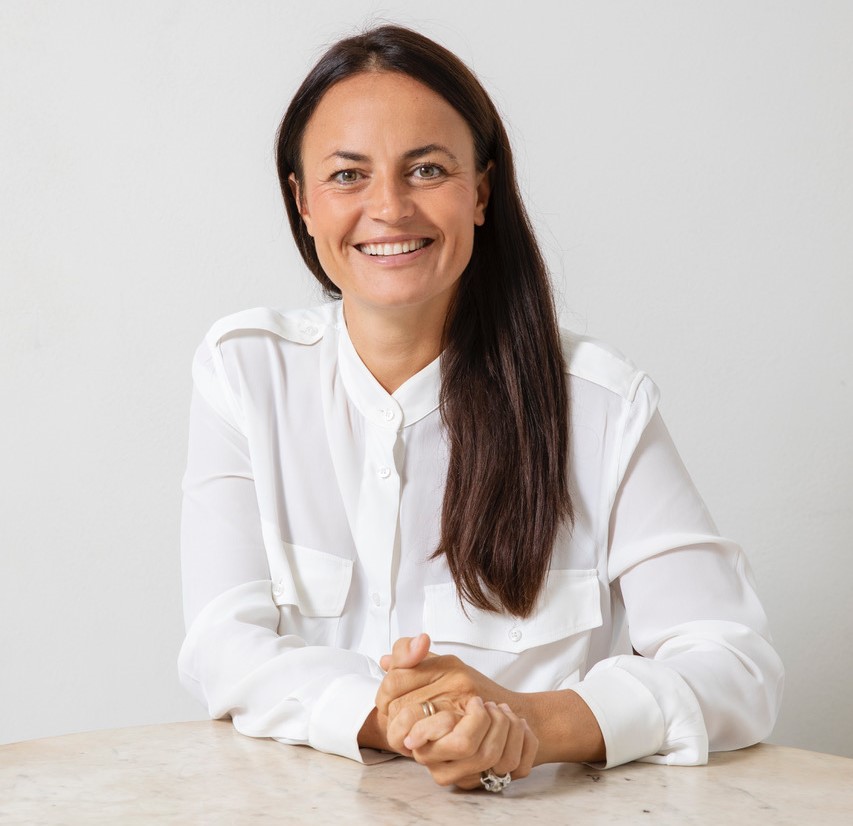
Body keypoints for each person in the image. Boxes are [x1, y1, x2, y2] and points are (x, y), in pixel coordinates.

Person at [178, 24, 783, 792]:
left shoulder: (600, 403)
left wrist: (529, 723)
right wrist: (392, 717)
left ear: (482, 192)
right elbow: (221, 645)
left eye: (426, 170)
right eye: (347, 175)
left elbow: (735, 664)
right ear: (301, 200)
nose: (388, 207)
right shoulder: (246, 372)